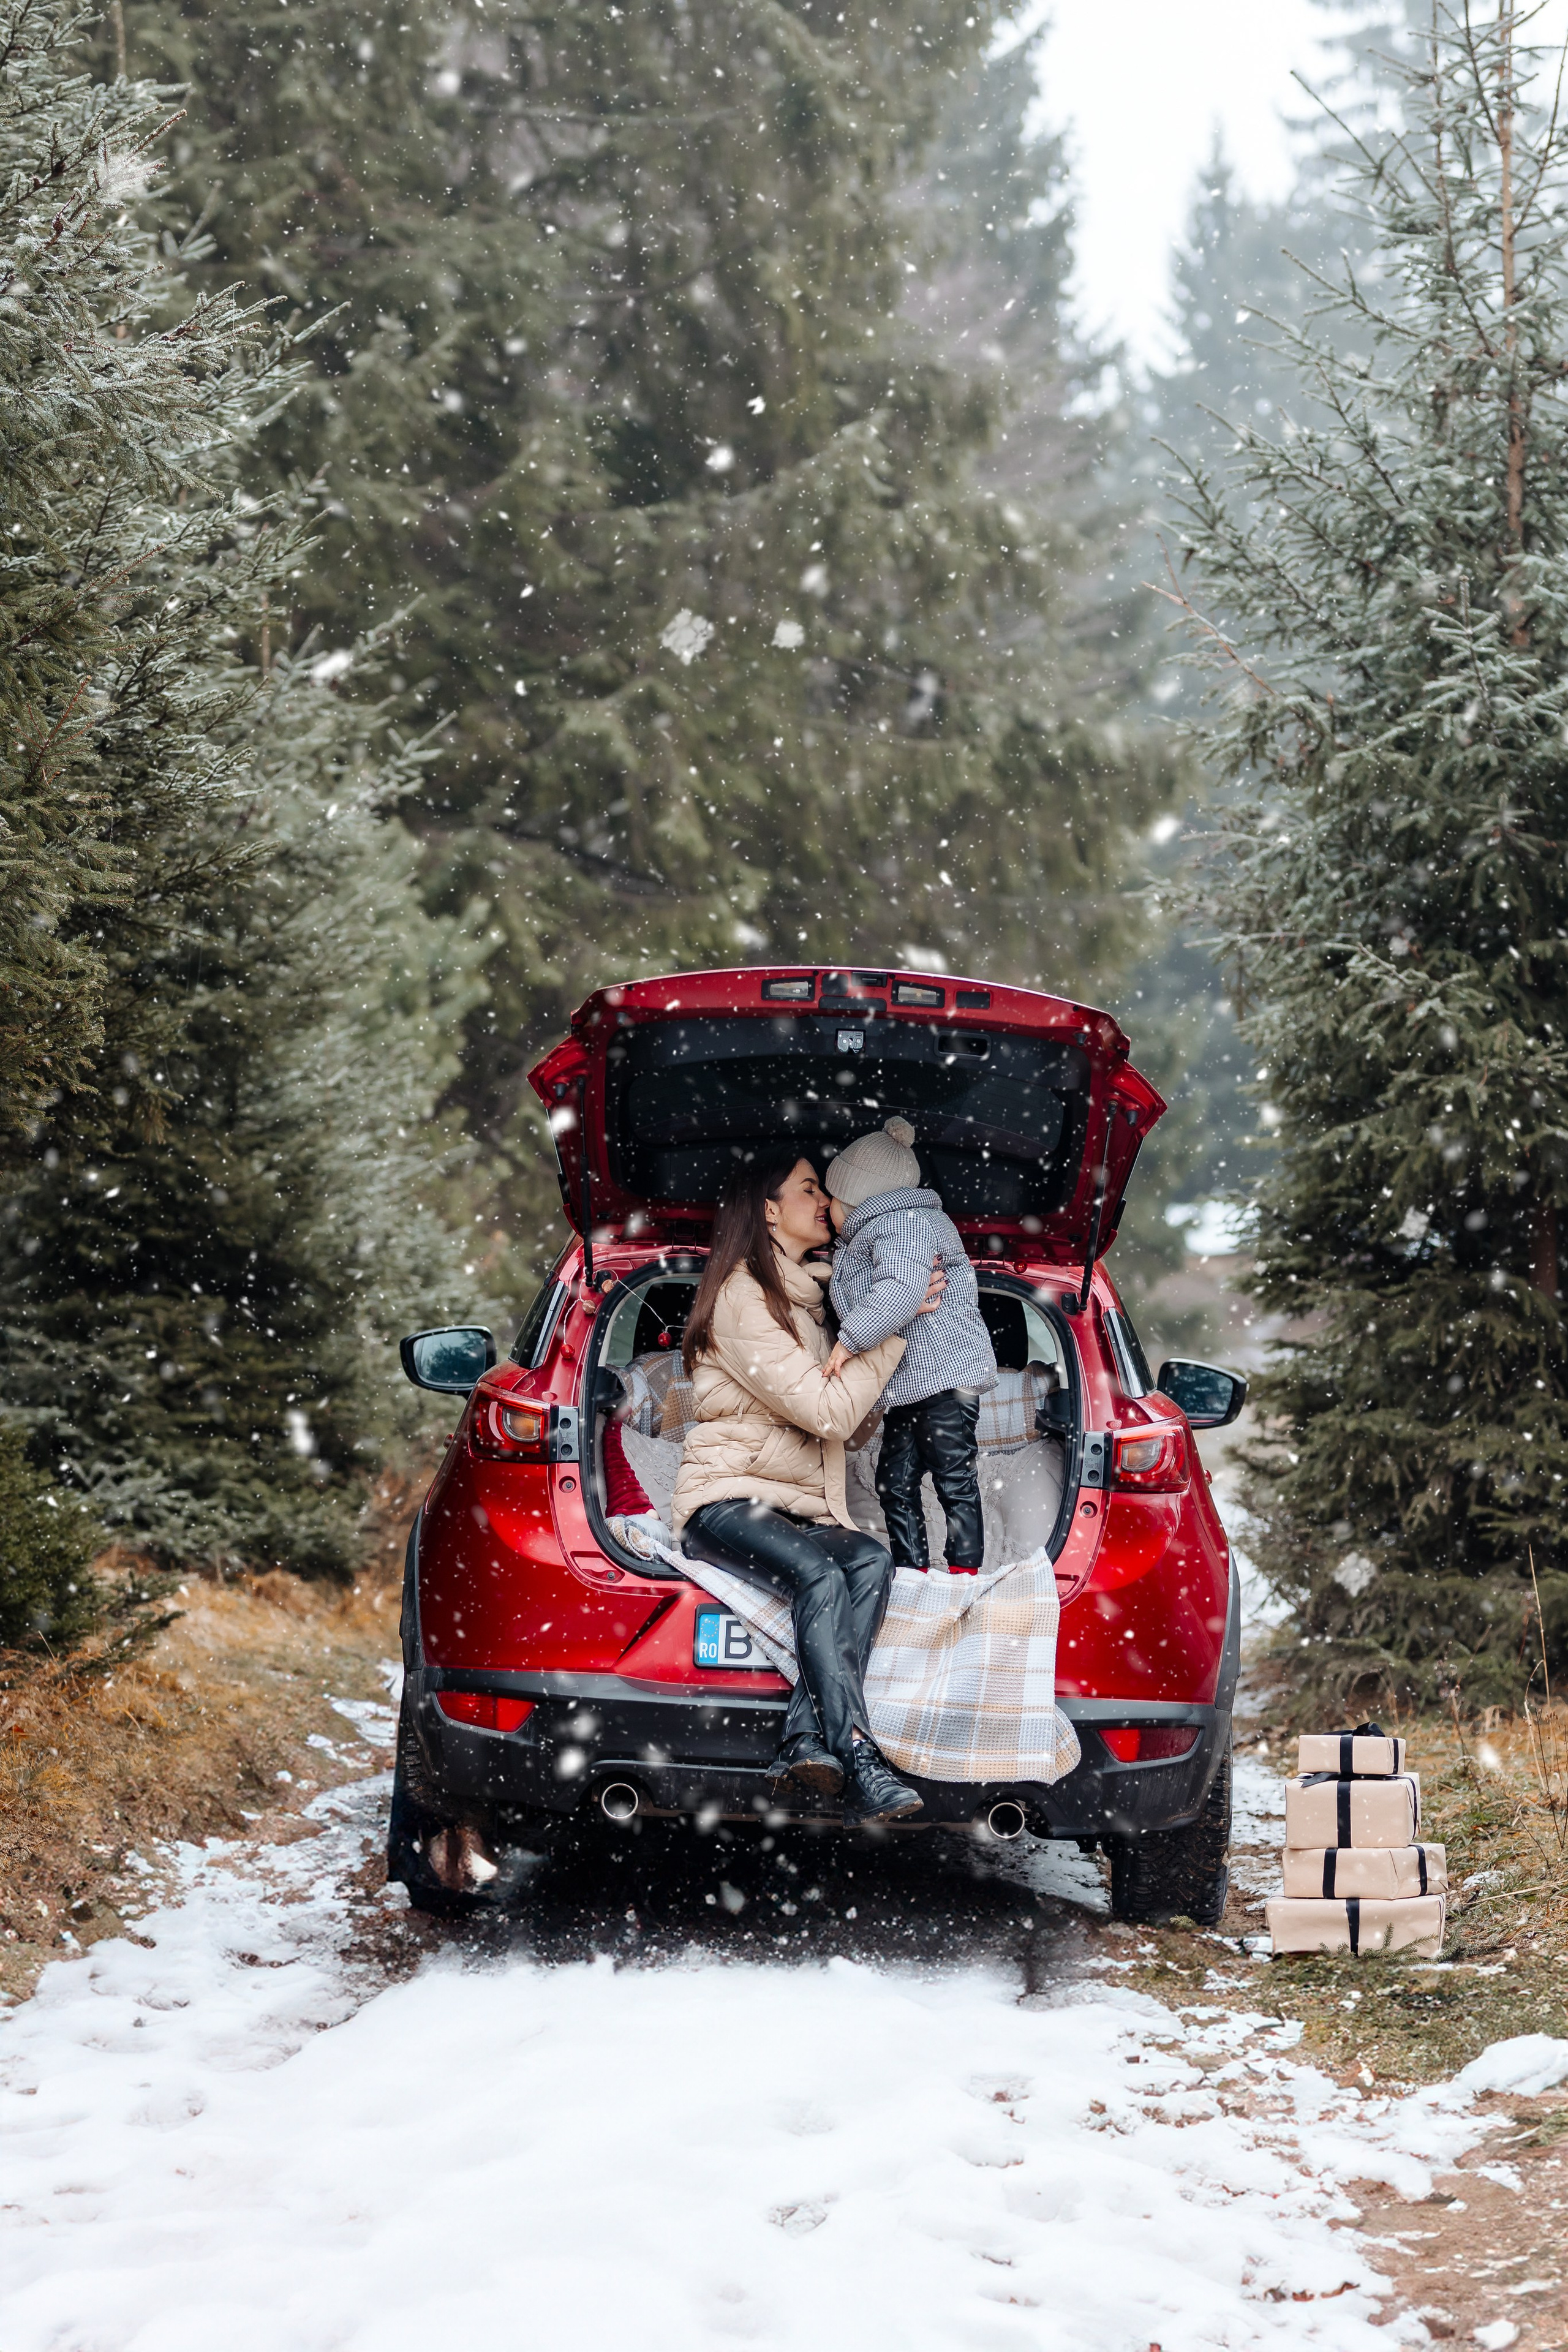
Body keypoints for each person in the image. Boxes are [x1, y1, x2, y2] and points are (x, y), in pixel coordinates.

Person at [673, 1148, 936, 1824]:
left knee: (870, 1558)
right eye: (808, 1187)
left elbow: (844, 1428)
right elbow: (827, 1412)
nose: (823, 1200)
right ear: (768, 1210)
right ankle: (857, 1752)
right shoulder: (739, 1297)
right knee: (819, 1576)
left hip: (791, 1505)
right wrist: (894, 1327)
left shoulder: (809, 1302)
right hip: (725, 1498)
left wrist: (876, 1338)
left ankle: (801, 1741)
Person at [823, 1116, 998, 1574]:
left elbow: (901, 1290)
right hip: (913, 1387)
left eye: (834, 1201)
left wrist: (848, 1343)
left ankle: (963, 1575)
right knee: (894, 1482)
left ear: (859, 1198)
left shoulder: (905, 1224)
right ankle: (912, 1573)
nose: (828, 1210)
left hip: (944, 1381)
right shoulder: (879, 1231)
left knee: (953, 1479)